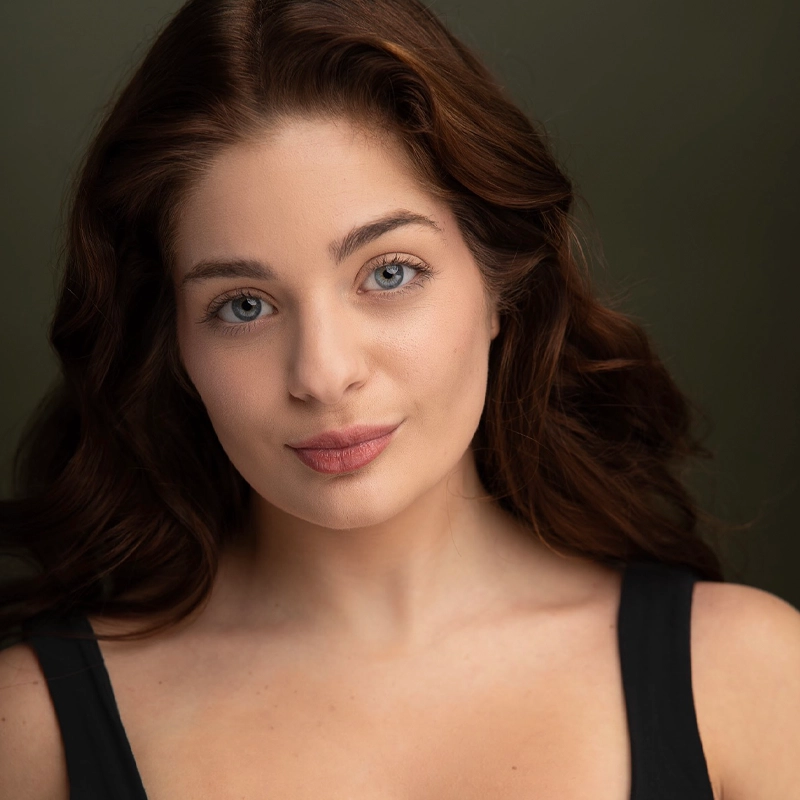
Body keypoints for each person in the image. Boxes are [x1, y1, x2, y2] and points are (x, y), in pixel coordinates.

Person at [1, 0, 799, 797]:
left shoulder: (747, 680)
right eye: (244, 304)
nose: (323, 372)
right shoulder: (30, 727)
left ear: (499, 289)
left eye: (389, 273)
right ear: (174, 339)